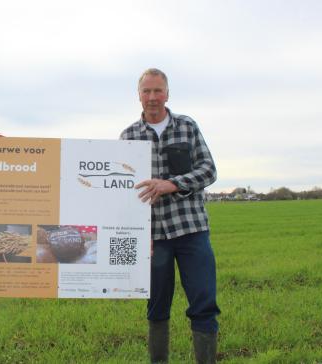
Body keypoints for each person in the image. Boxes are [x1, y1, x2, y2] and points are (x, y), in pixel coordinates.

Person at [120, 68, 220, 364]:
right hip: (154, 238)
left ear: (167, 93)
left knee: (203, 303)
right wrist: (136, 235)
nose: (152, 97)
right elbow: (123, 193)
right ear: (138, 95)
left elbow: (209, 170)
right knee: (157, 307)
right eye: (146, 91)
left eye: (158, 91)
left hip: (192, 231)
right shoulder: (129, 137)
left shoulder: (187, 127)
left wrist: (172, 184)